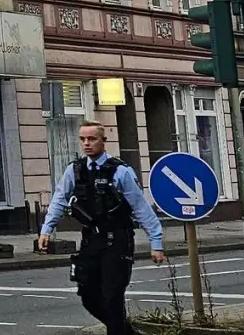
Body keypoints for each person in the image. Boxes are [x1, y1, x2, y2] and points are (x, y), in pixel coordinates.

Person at [39, 121, 166, 335]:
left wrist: (156, 242)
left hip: (118, 240)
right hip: (91, 240)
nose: (87, 143)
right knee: (87, 294)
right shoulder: (75, 170)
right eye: (83, 139)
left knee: (112, 295)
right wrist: (46, 229)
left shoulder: (120, 171)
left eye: (92, 139)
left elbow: (140, 207)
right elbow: (59, 199)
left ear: (103, 141)